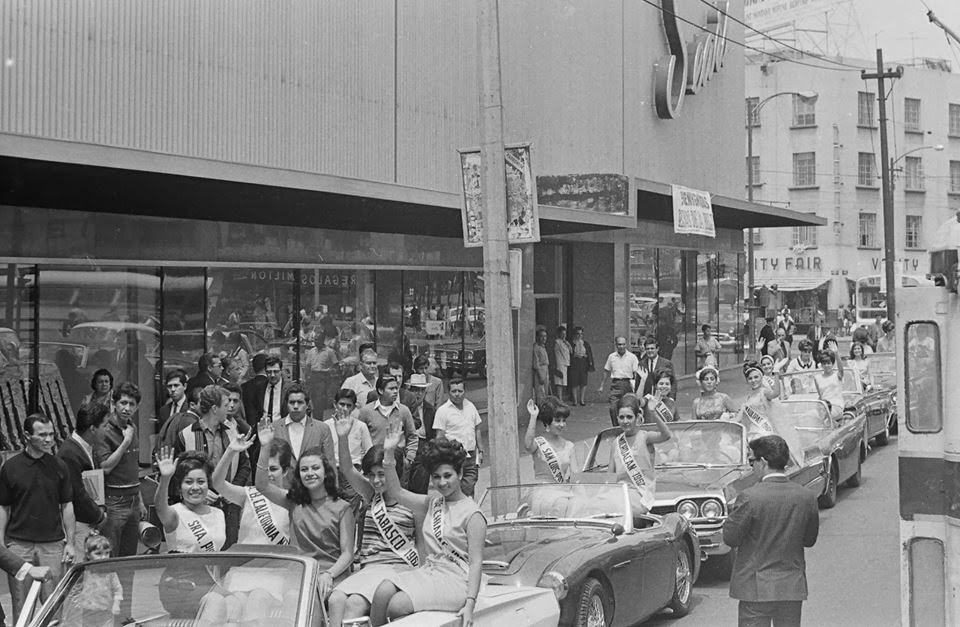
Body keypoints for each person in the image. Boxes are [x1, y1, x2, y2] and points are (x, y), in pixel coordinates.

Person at [370, 428, 486, 627]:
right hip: (430, 572)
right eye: (436, 477)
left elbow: (475, 563)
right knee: (382, 592)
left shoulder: (473, 514)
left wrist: (470, 604)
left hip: (457, 580)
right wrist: (389, 454)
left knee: (397, 605)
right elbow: (396, 492)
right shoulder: (433, 503)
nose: (442, 482)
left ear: (459, 473)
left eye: (447, 475)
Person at [723, 435, 819, 627]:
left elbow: (730, 538)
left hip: (755, 587)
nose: (751, 466)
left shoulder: (750, 497)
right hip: (790, 587)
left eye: (752, 461)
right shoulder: (806, 497)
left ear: (763, 462)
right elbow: (809, 540)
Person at [255, 426, 355, 600]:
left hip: (332, 576)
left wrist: (329, 575)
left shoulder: (343, 507)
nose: (310, 473)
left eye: (315, 468)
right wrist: (265, 447)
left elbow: (347, 554)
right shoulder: (293, 502)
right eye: (304, 470)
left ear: (326, 472)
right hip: (299, 574)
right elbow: (261, 485)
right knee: (296, 597)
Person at [329, 436, 416, 627]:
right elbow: (347, 469)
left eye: (382, 473)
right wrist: (343, 436)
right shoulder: (372, 496)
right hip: (368, 569)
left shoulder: (413, 503)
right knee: (335, 599)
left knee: (354, 604)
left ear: (395, 471)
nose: (376, 480)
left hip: (396, 570)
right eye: (371, 474)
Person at [0, 413, 76, 616]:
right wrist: (1, 543)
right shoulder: (10, 468)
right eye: (42, 435)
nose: (49, 440)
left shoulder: (59, 466)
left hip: (52, 544)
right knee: (22, 608)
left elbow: (67, 505)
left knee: (54, 607)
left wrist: (70, 542)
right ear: (27, 435)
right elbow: (3, 507)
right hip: (19, 545)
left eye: (51, 434)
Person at [211, 436, 293, 546]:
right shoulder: (248, 494)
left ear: (285, 471)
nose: (268, 474)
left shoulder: (292, 500)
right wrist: (230, 451)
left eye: (273, 469)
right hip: (246, 561)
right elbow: (217, 484)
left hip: (277, 561)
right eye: (264, 469)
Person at [96, 382, 145, 558]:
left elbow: (132, 465)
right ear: (114, 404)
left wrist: (139, 499)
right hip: (114, 502)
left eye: (132, 404)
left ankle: (126, 588)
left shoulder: (132, 427)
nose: (127, 408)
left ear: (137, 407)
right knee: (110, 556)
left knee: (129, 557)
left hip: (133, 498)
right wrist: (125, 442)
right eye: (123, 403)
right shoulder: (104, 431)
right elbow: (106, 467)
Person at [58, 402, 111, 557]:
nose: (106, 430)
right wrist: (99, 516)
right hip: (78, 522)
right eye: (105, 426)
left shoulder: (88, 447)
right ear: (93, 429)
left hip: (90, 519)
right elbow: (77, 493)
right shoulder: (69, 452)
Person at [607, 394, 672, 510]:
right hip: (620, 494)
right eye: (621, 417)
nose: (625, 421)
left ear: (637, 417)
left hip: (641, 496)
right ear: (617, 419)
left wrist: (653, 413)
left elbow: (666, 435)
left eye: (629, 417)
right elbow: (610, 476)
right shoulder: (616, 443)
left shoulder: (645, 437)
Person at [432, 377, 483, 498]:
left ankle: (468, 510)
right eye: (454, 391)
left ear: (465, 391)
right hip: (453, 456)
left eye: (460, 391)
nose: (457, 394)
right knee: (454, 488)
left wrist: (481, 450)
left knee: (469, 485)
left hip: (471, 456)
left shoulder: (471, 406)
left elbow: (477, 428)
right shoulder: (442, 411)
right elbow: (440, 436)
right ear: (448, 392)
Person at [358, 375, 418, 472]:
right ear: (381, 391)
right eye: (391, 388)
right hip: (374, 463)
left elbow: (412, 436)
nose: (395, 391)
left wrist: (409, 459)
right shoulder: (366, 411)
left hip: (398, 464)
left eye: (396, 388)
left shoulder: (404, 410)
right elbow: (358, 437)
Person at [63, 534, 123, 627]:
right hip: (87, 611)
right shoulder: (85, 571)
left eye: (107, 553)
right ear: (88, 554)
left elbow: (118, 590)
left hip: (106, 612)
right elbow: (73, 588)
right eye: (98, 554)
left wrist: (116, 604)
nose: (103, 557)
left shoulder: (110, 573)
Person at [273, 384, 336, 462]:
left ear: (307, 405)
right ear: (286, 404)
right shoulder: (274, 428)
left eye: (300, 402)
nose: (295, 406)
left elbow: (329, 462)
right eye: (292, 402)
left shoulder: (322, 429)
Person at [523, 397, 579, 483]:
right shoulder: (538, 444)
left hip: (562, 492)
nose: (562, 424)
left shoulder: (569, 446)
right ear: (547, 423)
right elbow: (528, 446)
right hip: (542, 493)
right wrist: (533, 416)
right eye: (557, 421)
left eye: (564, 420)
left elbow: (576, 476)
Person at [404, 374, 438, 494]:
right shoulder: (404, 409)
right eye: (415, 390)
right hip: (407, 448)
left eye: (421, 390)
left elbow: (434, 434)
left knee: (421, 484)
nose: (418, 394)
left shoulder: (430, 409)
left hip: (423, 447)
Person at [597, 336, 640, 427]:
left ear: (626, 344)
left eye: (623, 344)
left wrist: (637, 388)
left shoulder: (632, 357)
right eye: (619, 344)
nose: (621, 346)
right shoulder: (612, 357)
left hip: (627, 384)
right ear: (616, 345)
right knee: (613, 408)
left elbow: (636, 373)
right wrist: (602, 385)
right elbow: (606, 371)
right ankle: (616, 428)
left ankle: (628, 427)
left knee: (628, 408)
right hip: (615, 384)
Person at [306, 332, 341, 421]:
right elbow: (308, 365)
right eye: (314, 339)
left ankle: (319, 419)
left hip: (323, 377)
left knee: (320, 399)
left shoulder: (329, 352)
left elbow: (336, 365)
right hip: (313, 376)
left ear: (322, 340)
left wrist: (331, 374)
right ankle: (314, 418)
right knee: (313, 399)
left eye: (317, 339)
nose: (315, 341)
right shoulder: (311, 351)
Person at [567, 326, 594, 406]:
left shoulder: (585, 344)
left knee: (583, 382)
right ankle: (575, 400)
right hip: (574, 364)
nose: (579, 336)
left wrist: (589, 361)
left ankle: (582, 400)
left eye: (581, 334)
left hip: (583, 363)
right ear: (575, 334)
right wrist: (574, 356)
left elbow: (590, 354)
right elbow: (568, 354)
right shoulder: (571, 344)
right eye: (578, 334)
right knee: (574, 382)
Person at [814, 349, 844, 420]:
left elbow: (841, 369)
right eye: (824, 364)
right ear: (821, 365)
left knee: (826, 416)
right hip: (823, 407)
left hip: (836, 406)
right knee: (807, 416)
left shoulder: (837, 375)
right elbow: (820, 395)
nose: (826, 366)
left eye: (828, 363)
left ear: (832, 364)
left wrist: (836, 353)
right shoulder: (817, 378)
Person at [157, 369, 189, 435]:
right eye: (169, 386)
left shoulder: (192, 408)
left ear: (185, 386)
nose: (172, 389)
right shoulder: (163, 411)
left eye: (176, 385)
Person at [552, 325, 572, 401]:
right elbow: (556, 354)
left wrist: (567, 344)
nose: (564, 335)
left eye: (565, 334)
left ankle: (560, 398)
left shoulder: (565, 342)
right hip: (560, 363)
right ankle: (559, 398)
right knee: (559, 382)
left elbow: (570, 351)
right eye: (562, 334)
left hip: (565, 363)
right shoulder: (557, 342)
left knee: (563, 382)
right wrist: (557, 365)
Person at [532, 326, 551, 402]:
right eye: (541, 336)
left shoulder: (543, 347)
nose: (544, 338)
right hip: (540, 372)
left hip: (545, 370)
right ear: (537, 337)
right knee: (540, 393)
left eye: (545, 336)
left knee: (545, 393)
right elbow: (536, 363)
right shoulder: (536, 347)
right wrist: (540, 376)